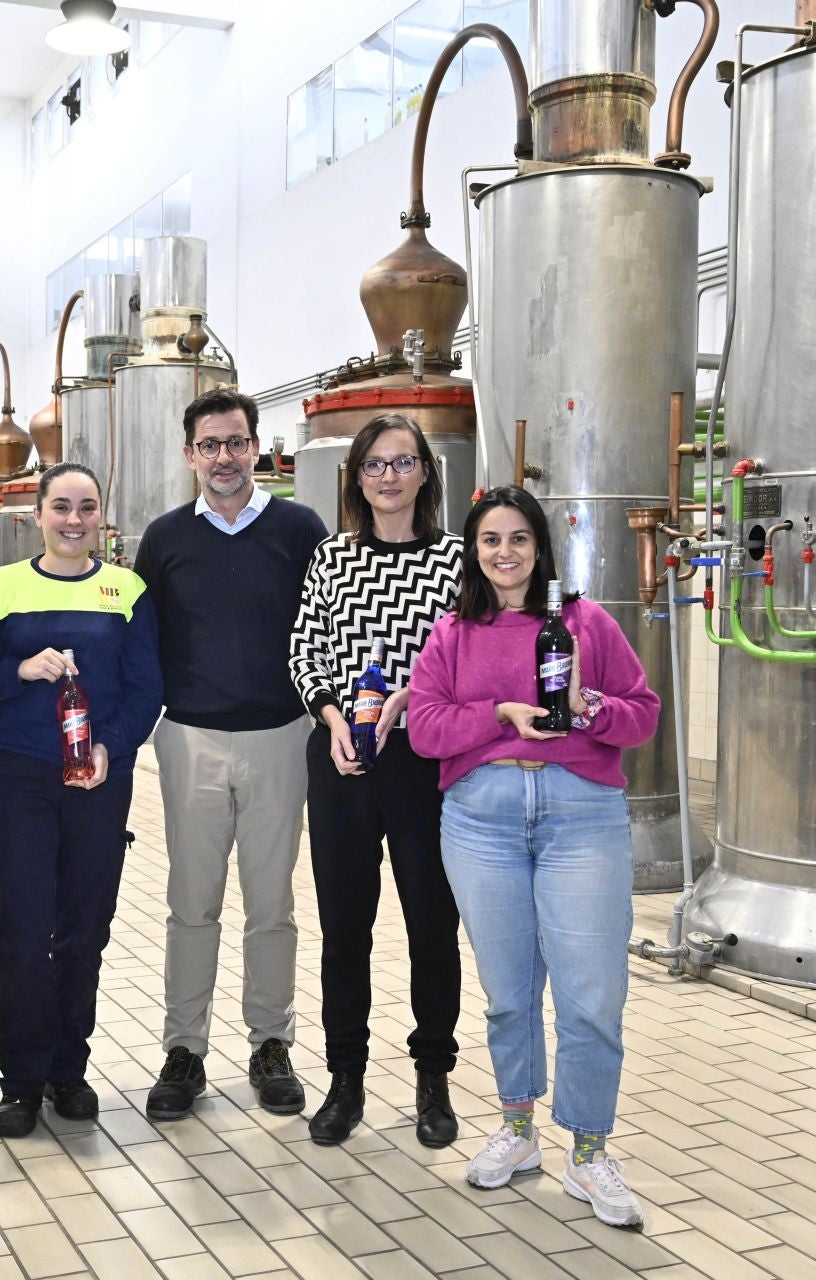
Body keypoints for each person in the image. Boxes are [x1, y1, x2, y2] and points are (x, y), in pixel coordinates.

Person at [408, 486, 660, 1229]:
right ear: (474, 550)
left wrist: (590, 707)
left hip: (581, 819)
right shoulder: (453, 633)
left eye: (519, 538)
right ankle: (517, 1131)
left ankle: (589, 1151)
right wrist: (499, 716)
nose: (505, 552)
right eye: (490, 539)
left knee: (591, 993)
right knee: (509, 992)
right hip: (481, 822)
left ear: (539, 547)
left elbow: (642, 714)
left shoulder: (586, 623)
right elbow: (424, 728)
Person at [132, 388, 327, 1121]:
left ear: (256, 448)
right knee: (192, 904)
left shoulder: (300, 530)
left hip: (282, 736)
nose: (224, 457)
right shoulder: (165, 539)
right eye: (210, 444)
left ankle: (271, 1044)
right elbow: (142, 640)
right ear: (190, 454)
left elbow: (326, 628)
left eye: (236, 442)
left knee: (272, 906)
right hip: (191, 739)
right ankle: (184, 1050)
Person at [0, 462, 163, 1136]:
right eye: (61, 507)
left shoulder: (127, 590)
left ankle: (67, 1071)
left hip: (98, 780)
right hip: (20, 775)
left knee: (83, 932)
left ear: (100, 515)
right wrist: (18, 670)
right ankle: (21, 1083)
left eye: (86, 508)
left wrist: (110, 746)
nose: (74, 520)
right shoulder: (2, 588)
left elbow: (146, 688)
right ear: (38, 515)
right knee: (23, 935)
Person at [287, 414, 463, 1148]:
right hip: (343, 762)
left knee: (433, 926)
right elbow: (305, 650)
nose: (388, 477)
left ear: (425, 473)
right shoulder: (333, 559)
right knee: (344, 929)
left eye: (403, 462)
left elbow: (469, 659)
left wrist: (413, 697)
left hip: (428, 762)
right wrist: (330, 717)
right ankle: (345, 1079)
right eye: (374, 465)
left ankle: (434, 1078)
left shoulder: (457, 561)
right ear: (356, 478)